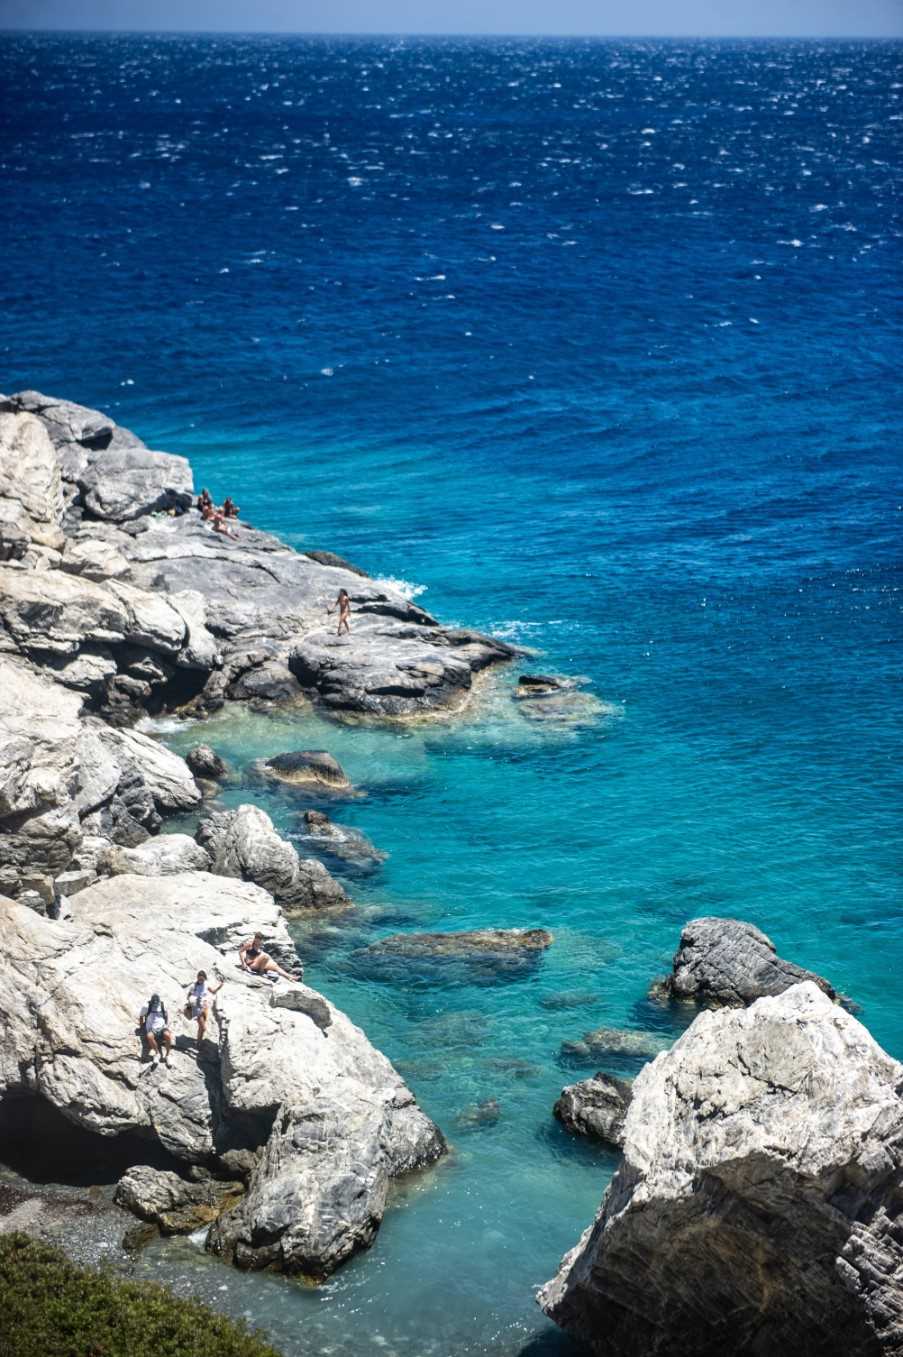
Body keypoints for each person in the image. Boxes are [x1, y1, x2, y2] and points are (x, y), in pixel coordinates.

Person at [186, 969, 223, 1043]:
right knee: (203, 1028)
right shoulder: (193, 986)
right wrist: (193, 1001)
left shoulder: (206, 984)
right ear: (197, 978)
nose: (201, 981)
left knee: (201, 1027)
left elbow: (213, 991)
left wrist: (220, 987)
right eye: (199, 979)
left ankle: (198, 1041)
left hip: (204, 1008)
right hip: (197, 1008)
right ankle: (199, 1042)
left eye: (202, 979)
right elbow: (188, 996)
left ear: (205, 978)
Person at [139, 992, 173, 1066]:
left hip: (162, 1027)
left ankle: (167, 1055)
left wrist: (166, 1025)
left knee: (168, 1035)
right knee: (149, 1036)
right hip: (151, 1028)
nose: (155, 1005)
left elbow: (166, 1015)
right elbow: (141, 1017)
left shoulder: (163, 1005)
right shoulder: (146, 1006)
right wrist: (142, 1027)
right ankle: (157, 1054)